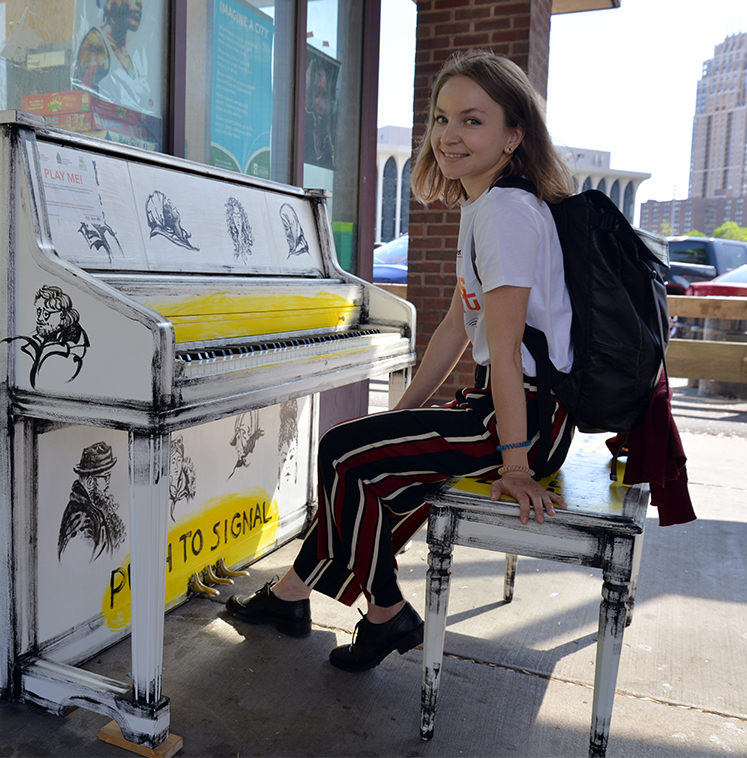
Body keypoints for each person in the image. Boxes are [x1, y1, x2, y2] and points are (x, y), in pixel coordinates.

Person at [227, 50, 578, 672]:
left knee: (341, 451)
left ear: (514, 133)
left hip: (521, 420)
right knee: (368, 464)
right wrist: (402, 415)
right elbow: (452, 326)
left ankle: (386, 615)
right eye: (442, 118)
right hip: (508, 406)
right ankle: (290, 595)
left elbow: (502, 344)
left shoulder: (505, 211)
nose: (449, 135)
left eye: (473, 120)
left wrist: (517, 464)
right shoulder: (485, 205)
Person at [72, 0, 150, 113]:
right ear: (110, 1)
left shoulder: (130, 55)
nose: (140, 3)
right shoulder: (96, 42)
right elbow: (81, 106)